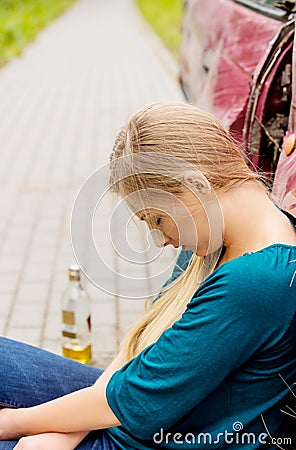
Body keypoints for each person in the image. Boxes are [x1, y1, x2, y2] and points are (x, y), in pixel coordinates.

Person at [0, 102, 296, 449]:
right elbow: (144, 352)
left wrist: (13, 425)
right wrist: (63, 433)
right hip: (137, 411)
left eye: (156, 220)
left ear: (196, 185)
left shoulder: (256, 283)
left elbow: (136, 402)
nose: (160, 240)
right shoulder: (219, 236)